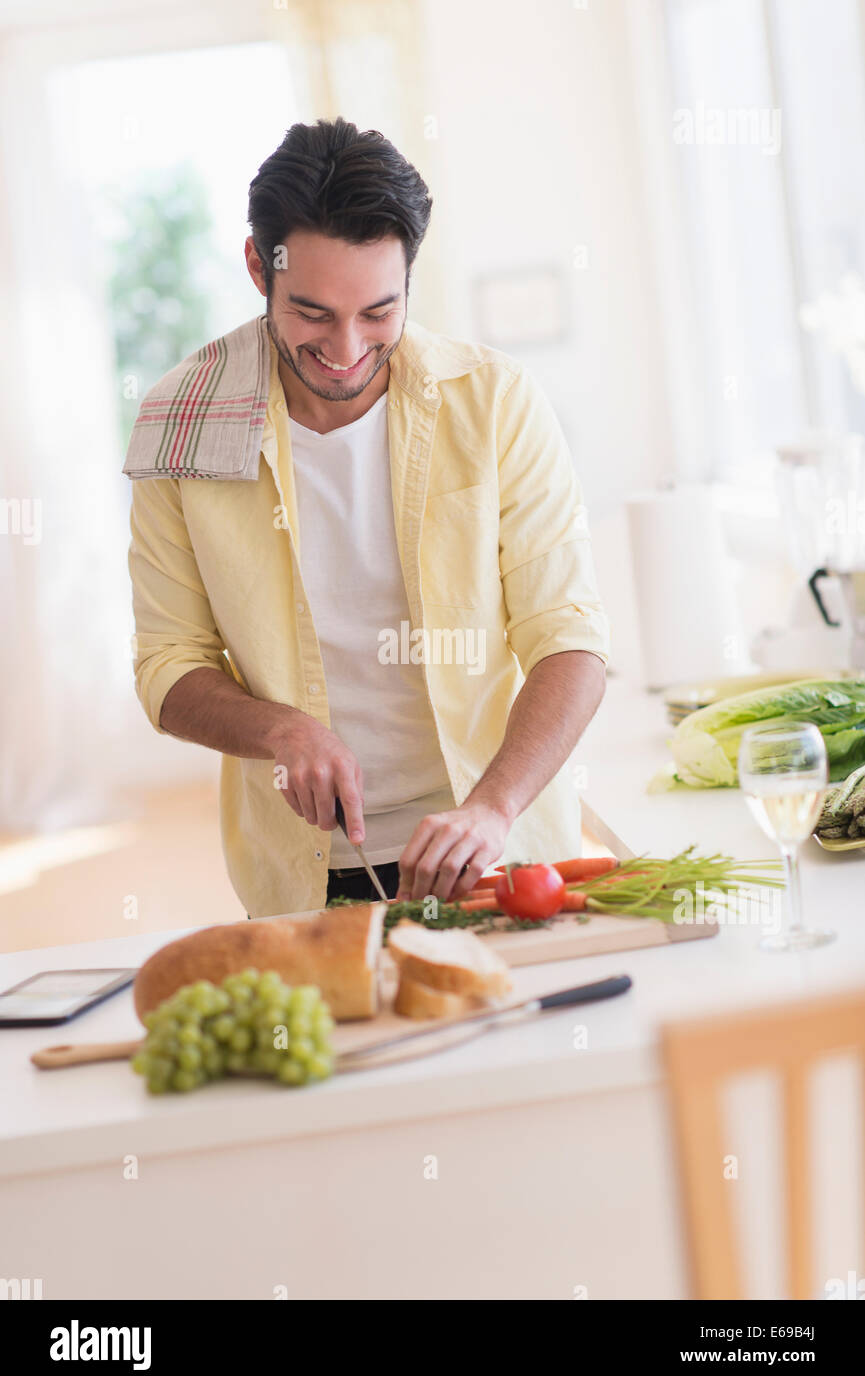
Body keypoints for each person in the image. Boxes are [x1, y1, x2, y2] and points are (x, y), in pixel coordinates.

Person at [124, 117, 610, 917]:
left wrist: (489, 807)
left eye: (378, 312)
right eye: (312, 314)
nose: (347, 347)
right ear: (258, 267)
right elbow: (166, 665)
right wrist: (280, 729)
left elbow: (571, 639)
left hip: (501, 855)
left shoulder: (493, 402)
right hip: (303, 878)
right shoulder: (180, 422)